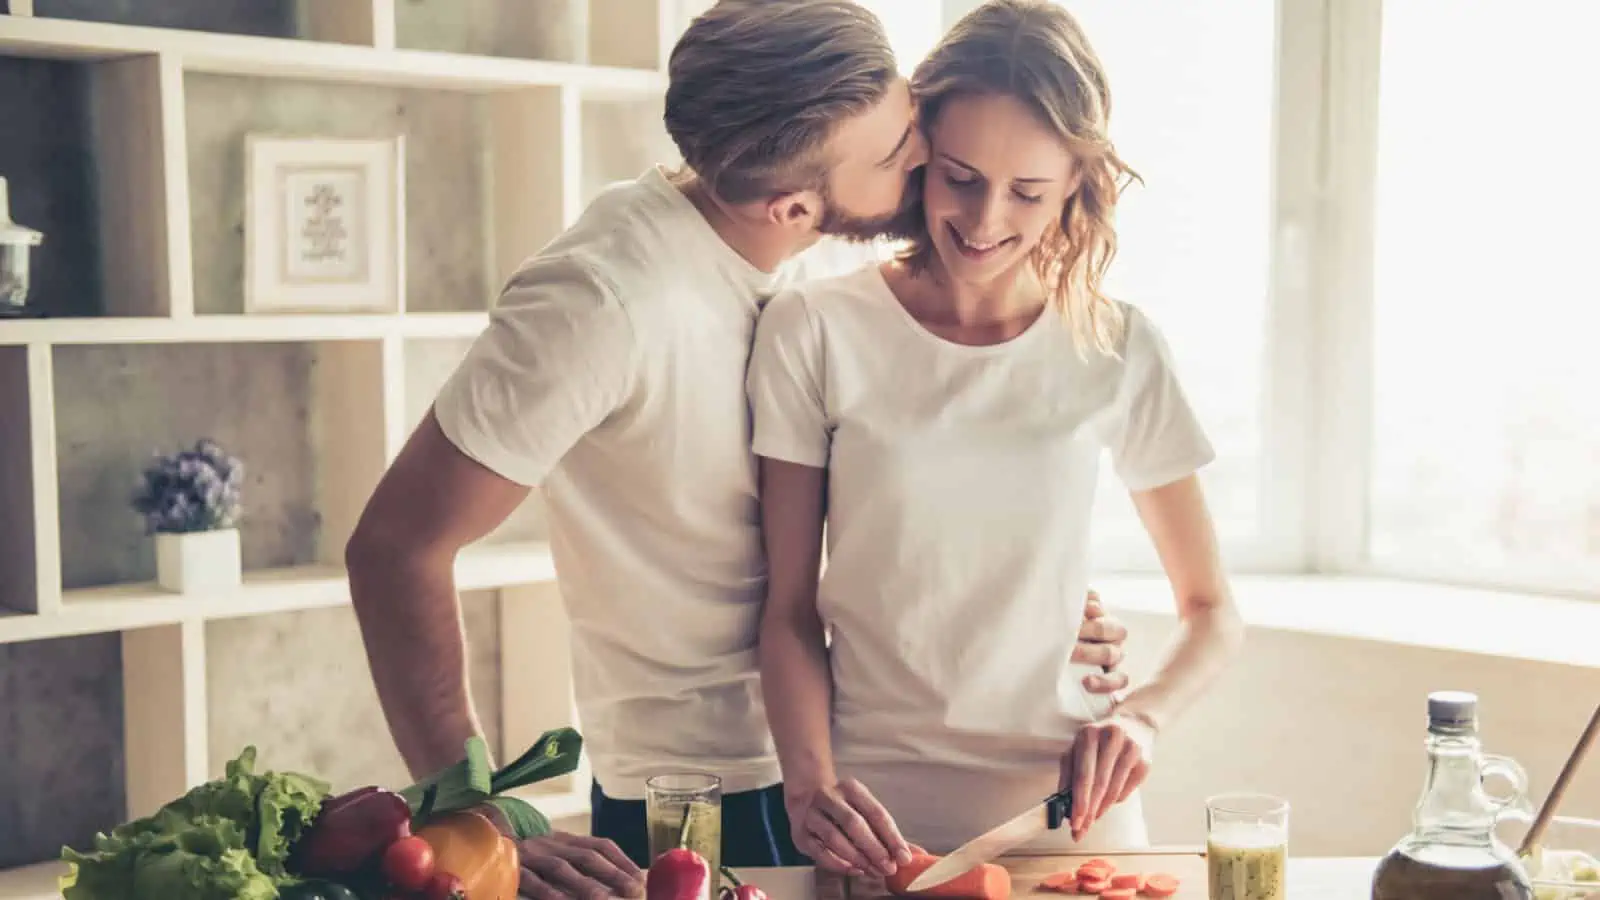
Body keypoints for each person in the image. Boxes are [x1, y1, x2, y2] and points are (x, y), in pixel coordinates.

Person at [343, 2, 1133, 898]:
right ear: (792, 203)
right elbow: (396, 547)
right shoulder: (598, 302)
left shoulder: (824, 250)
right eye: (895, 152)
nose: (922, 157)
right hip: (702, 791)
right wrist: (470, 812)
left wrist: (1040, 602)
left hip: (857, 761)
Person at [748, 0, 1247, 876]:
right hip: (875, 822)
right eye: (960, 176)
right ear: (918, 159)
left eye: (1028, 192)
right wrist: (808, 786)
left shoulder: (1116, 346)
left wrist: (1141, 718)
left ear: (1075, 186)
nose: (984, 220)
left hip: (1071, 818)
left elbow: (1211, 611)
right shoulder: (814, 327)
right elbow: (787, 608)